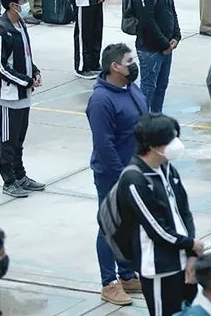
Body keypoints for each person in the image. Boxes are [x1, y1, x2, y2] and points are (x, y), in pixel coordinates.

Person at [115, 113, 203, 316]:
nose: (176, 144)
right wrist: (191, 244)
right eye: (170, 140)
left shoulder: (167, 169)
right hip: (159, 267)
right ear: (152, 145)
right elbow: (156, 229)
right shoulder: (135, 179)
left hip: (183, 259)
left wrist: (191, 253)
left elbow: (184, 211)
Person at [86, 43, 146, 306]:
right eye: (129, 61)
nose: (134, 65)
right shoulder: (101, 100)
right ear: (115, 67)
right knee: (109, 227)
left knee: (128, 225)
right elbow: (104, 144)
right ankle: (108, 283)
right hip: (114, 176)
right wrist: (122, 177)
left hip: (135, 171)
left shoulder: (131, 88)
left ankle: (127, 275)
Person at [0, 0, 45, 198]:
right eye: (23, 0)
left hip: (24, 94)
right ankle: (9, 180)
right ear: (13, 5)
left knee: (19, 139)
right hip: (9, 95)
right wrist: (25, 81)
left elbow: (26, 55)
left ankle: (20, 175)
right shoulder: (1, 30)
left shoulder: (20, 24)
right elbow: (0, 66)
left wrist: (35, 71)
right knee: (8, 140)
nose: (26, 3)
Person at [133, 0, 181, 112]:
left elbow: (172, 11)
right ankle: (143, 121)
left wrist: (176, 36)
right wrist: (164, 44)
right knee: (148, 88)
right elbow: (147, 22)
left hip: (166, 47)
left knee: (161, 86)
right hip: (150, 49)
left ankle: (156, 117)